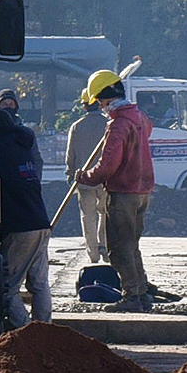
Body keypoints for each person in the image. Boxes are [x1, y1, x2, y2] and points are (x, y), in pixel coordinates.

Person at [75, 71, 157, 312]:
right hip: (143, 191)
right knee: (132, 245)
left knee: (119, 248)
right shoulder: (138, 117)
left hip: (124, 192)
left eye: (99, 101)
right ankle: (141, 293)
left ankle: (132, 297)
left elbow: (109, 165)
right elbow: (148, 130)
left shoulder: (119, 124)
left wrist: (86, 177)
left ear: (106, 98)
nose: (99, 106)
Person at [0, 107, 53, 327]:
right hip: (41, 223)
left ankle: (26, 332)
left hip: (20, 229)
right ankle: (46, 331)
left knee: (9, 288)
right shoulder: (24, 146)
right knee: (40, 284)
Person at [65, 72, 112, 265]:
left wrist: (70, 175)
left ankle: (93, 253)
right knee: (105, 214)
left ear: (84, 105)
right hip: (106, 178)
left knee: (88, 216)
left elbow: (71, 155)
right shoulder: (109, 124)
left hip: (84, 179)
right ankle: (105, 247)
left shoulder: (77, 126)